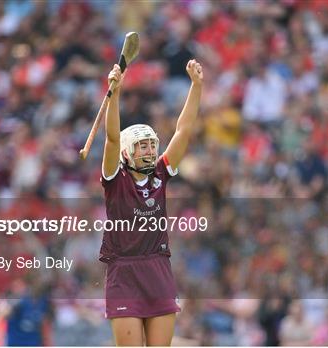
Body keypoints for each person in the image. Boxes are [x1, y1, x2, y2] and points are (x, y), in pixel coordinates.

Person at [100, 59, 203, 346]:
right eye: (140, 146)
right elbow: (110, 139)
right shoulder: (114, 179)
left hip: (158, 268)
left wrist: (196, 87)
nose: (148, 151)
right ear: (126, 153)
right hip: (124, 271)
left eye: (150, 145)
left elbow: (183, 130)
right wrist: (115, 94)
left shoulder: (161, 173)